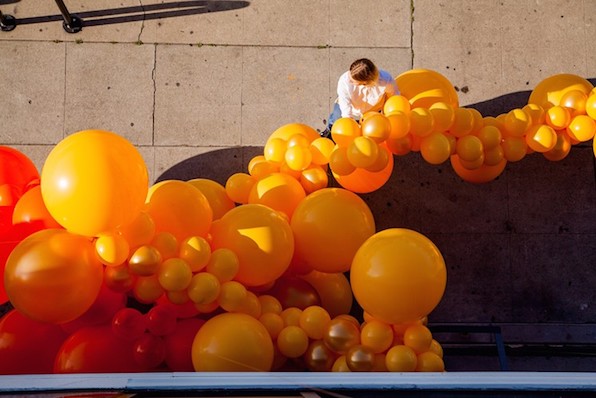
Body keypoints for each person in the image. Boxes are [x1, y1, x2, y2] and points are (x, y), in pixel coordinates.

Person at [321, 58, 399, 138]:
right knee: (335, 117)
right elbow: (346, 107)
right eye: (350, 75)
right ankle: (329, 129)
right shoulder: (344, 81)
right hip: (349, 105)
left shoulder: (386, 80)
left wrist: (387, 114)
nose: (349, 79)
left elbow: (393, 96)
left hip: (374, 109)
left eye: (353, 81)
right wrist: (349, 125)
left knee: (375, 130)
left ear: (365, 82)